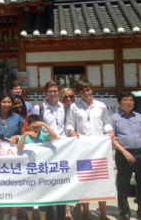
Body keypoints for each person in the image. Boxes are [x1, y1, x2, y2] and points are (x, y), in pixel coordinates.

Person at [66, 80, 115, 220]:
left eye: (88, 90)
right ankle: (86, 213)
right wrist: (72, 132)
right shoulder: (74, 107)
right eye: (82, 91)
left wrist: (110, 131)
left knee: (102, 181)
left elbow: (106, 122)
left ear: (91, 90)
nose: (86, 93)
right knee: (85, 182)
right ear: (79, 93)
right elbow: (69, 124)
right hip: (84, 150)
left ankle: (103, 214)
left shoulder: (101, 106)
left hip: (100, 150)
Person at [110, 92, 141, 220]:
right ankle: (125, 213)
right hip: (124, 155)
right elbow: (112, 138)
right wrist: (124, 151)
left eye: (130, 100)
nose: (128, 102)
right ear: (119, 103)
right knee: (123, 185)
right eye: (125, 100)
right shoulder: (114, 119)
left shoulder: (140, 117)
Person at [29, 81, 67, 220]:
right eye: (50, 91)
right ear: (45, 92)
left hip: (62, 149)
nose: (52, 94)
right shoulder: (38, 108)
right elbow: (34, 127)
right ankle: (49, 215)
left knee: (62, 183)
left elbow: (67, 126)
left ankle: (62, 215)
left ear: (59, 92)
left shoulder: (65, 107)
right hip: (45, 149)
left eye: (55, 91)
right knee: (48, 183)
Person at [0, 94, 24, 220]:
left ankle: (14, 215)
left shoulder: (18, 117)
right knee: (3, 185)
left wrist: (17, 137)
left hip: (15, 156)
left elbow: (25, 136)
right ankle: (6, 213)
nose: (7, 104)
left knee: (14, 185)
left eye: (9, 102)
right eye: (4, 102)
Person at [16, 115, 58, 220]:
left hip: (42, 173)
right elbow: (19, 148)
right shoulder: (23, 137)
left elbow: (54, 136)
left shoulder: (43, 136)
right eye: (33, 125)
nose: (35, 128)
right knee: (28, 198)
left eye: (37, 125)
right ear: (28, 126)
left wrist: (43, 124)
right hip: (28, 173)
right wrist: (25, 134)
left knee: (42, 198)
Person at [59, 87, 76, 219]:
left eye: (71, 96)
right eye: (66, 97)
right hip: (63, 147)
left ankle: (80, 206)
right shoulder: (61, 109)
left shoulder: (78, 108)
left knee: (79, 177)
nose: (69, 99)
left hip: (77, 147)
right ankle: (66, 206)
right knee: (65, 178)